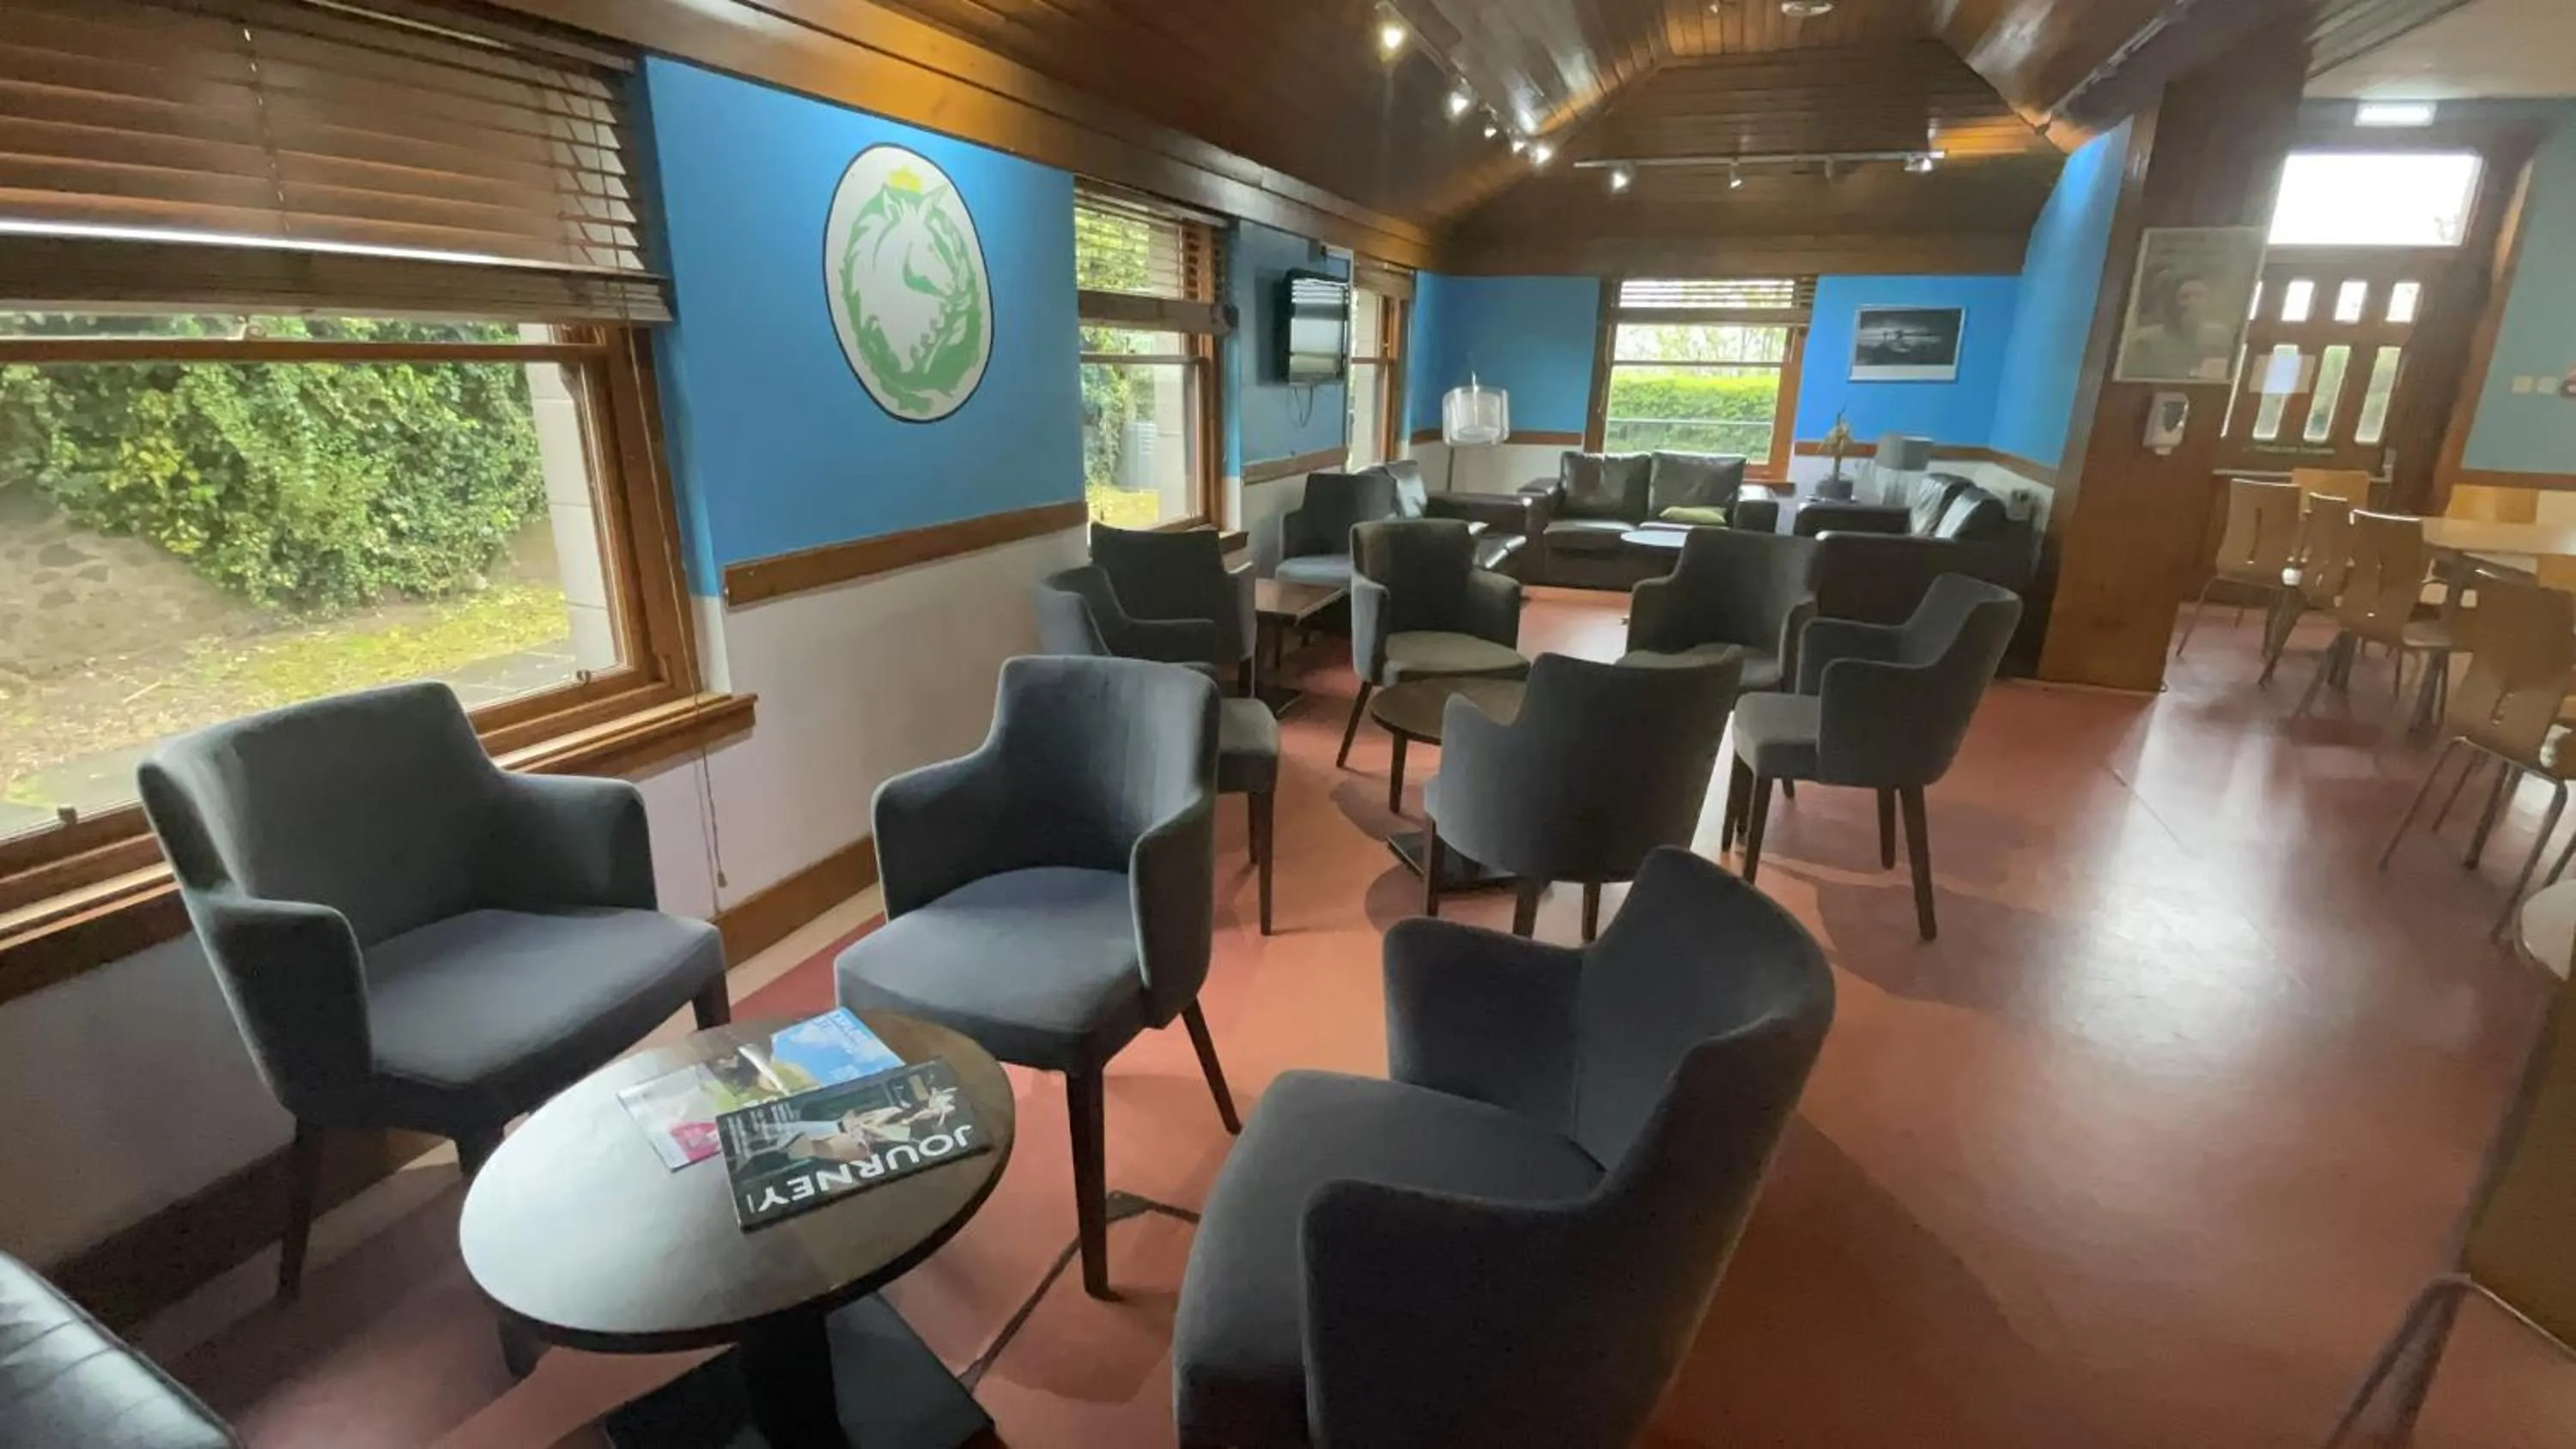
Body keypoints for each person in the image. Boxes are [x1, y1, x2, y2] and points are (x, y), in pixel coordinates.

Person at [2121, 267, 2238, 382]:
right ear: (2173, 302)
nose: (2193, 302)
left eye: (2199, 295)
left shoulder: (2220, 336)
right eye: (2185, 297)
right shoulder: (2146, 341)